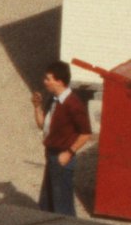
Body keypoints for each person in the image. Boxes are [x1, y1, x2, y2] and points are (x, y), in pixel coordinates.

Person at [34, 61, 93, 215]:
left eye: (48, 79)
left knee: (62, 205)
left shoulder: (73, 104)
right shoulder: (54, 101)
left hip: (61, 157)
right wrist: (37, 106)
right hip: (51, 154)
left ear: (59, 81)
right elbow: (42, 125)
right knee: (47, 202)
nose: (45, 82)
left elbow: (86, 133)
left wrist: (69, 152)